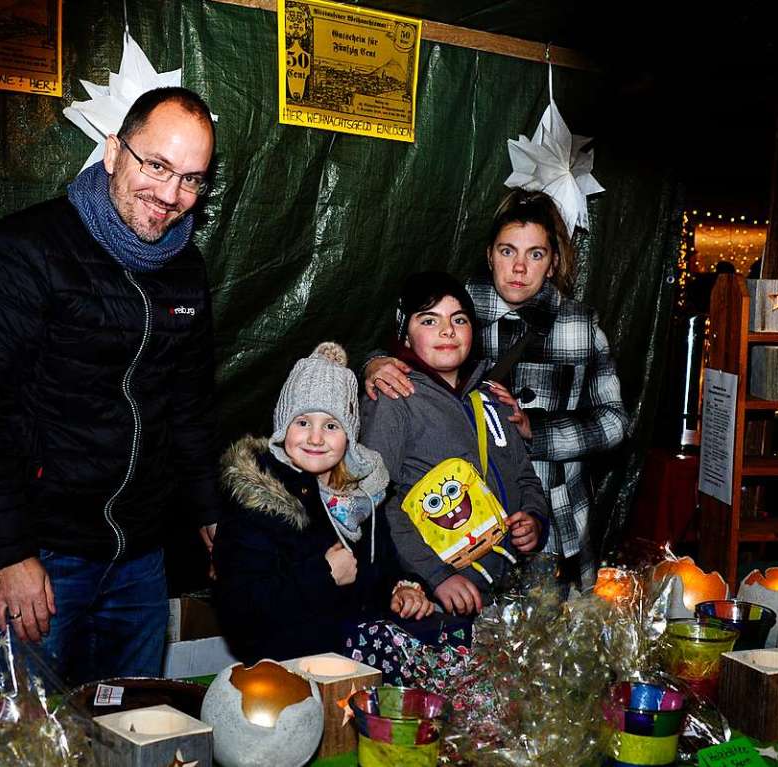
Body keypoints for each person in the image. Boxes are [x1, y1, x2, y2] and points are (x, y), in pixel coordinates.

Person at [0, 87, 220, 684]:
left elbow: (188, 404)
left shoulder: (187, 269)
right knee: (28, 742)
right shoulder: (28, 248)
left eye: (192, 180)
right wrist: (9, 553)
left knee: (131, 731)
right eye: (158, 166)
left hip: (140, 561)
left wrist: (208, 512)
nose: (171, 197)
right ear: (114, 150)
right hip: (42, 555)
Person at [365, 190, 628, 587]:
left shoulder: (581, 328)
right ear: (490, 255)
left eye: (535, 255)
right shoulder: (460, 305)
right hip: (461, 529)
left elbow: (615, 421)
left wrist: (536, 431)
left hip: (552, 514)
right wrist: (374, 362)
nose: (519, 267)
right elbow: (411, 339)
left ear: (553, 262)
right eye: (508, 252)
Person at [213, 342, 434, 663]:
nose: (316, 438)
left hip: (354, 670)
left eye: (331, 426)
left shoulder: (362, 495)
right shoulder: (257, 501)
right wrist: (323, 573)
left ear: (349, 435)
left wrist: (401, 588)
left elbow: (378, 569)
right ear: (282, 426)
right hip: (286, 675)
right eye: (303, 422)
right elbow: (241, 611)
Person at [360, 272, 549, 615]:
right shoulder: (394, 397)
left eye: (458, 319)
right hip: (434, 601)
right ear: (405, 334)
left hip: (506, 598)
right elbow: (373, 502)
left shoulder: (492, 397)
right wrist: (436, 575)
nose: (447, 330)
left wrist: (534, 519)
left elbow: (525, 476)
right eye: (429, 320)